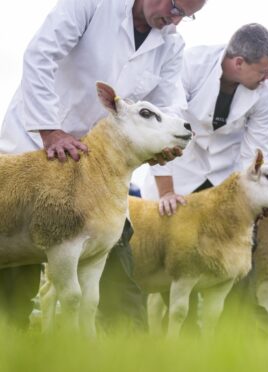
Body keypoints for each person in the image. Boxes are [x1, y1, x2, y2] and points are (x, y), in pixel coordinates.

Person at [0, 0, 207, 330]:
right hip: (39, 147)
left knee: (116, 268)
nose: (175, 20)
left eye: (186, 15)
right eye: (175, 7)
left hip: (101, 170)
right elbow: (41, 55)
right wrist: (49, 129)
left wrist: (166, 143)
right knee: (15, 273)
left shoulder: (170, 44)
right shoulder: (92, 4)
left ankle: (127, 354)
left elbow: (170, 104)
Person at [146, 23, 268, 214]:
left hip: (224, 180)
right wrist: (167, 192)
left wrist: (258, 196)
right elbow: (165, 125)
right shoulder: (192, 64)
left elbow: (257, 149)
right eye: (262, 71)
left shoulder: (266, 92)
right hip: (177, 172)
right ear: (239, 63)